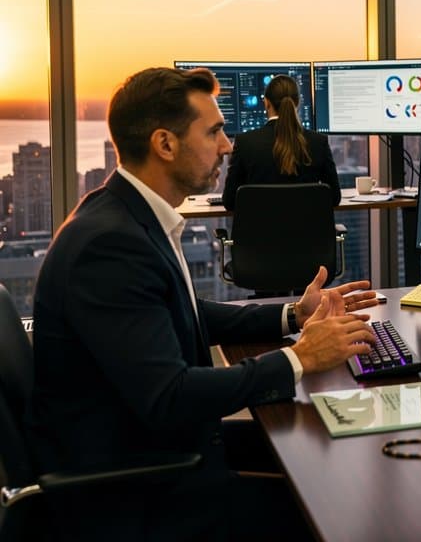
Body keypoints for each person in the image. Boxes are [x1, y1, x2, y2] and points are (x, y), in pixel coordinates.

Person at [29, 67, 377, 541]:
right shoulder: (109, 246)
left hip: (153, 453)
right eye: (213, 131)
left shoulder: (126, 215)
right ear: (165, 144)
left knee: (324, 449)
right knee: (341, 509)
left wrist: (293, 314)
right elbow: (170, 397)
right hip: (139, 492)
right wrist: (301, 358)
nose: (228, 145)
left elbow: (189, 315)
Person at [222, 73, 340, 210]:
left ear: (266, 103)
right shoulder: (319, 142)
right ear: (297, 103)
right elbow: (335, 198)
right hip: (307, 231)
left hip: (260, 231)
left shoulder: (245, 143)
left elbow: (229, 202)